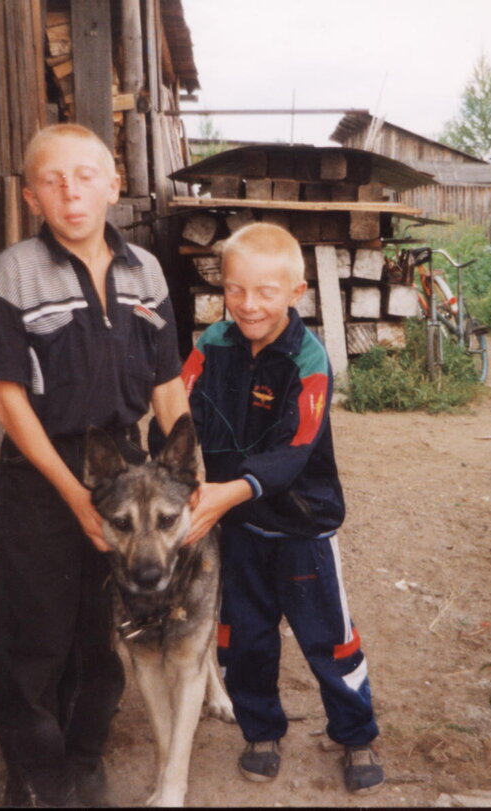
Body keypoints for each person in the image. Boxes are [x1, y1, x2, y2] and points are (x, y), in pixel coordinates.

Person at [0, 123, 189, 807]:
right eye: (53, 180)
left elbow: (168, 384)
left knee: (105, 630)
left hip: (126, 466)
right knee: (34, 631)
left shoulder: (146, 272)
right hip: (46, 471)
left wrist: (186, 485)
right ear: (32, 196)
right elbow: (6, 398)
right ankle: (37, 773)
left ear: (113, 184)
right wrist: (74, 494)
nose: (71, 192)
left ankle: (85, 753)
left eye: (85, 176)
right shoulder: (15, 270)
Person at [180, 222, 385, 795]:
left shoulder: (309, 360)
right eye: (236, 290)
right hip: (240, 528)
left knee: (329, 638)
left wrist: (225, 493)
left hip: (301, 525)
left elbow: (294, 451)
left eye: (266, 292)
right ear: (223, 287)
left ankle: (356, 732)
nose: (249, 305)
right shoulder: (208, 348)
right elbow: (177, 413)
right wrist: (174, 471)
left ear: (297, 293)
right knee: (244, 636)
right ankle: (260, 729)